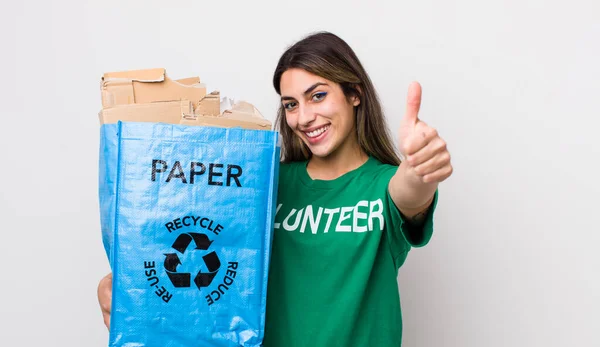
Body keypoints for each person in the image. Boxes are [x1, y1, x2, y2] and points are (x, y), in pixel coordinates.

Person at [97, 31, 452, 346]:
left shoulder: (382, 187)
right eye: (291, 105)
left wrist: (421, 166)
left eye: (318, 96)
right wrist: (119, 285)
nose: (303, 117)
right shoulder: (264, 183)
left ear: (354, 94)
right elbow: (192, 237)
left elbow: (411, 191)